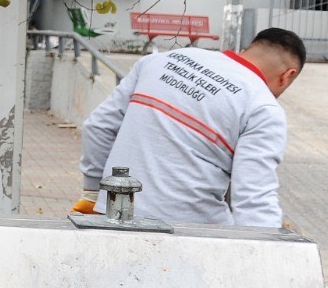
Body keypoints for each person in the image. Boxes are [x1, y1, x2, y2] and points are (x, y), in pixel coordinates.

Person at [77, 27, 306, 228]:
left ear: (246, 50)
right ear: (287, 76)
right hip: (191, 233)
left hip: (116, 214)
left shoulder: (162, 60)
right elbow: (254, 199)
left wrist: (96, 195)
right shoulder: (262, 107)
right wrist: (267, 258)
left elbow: (98, 127)